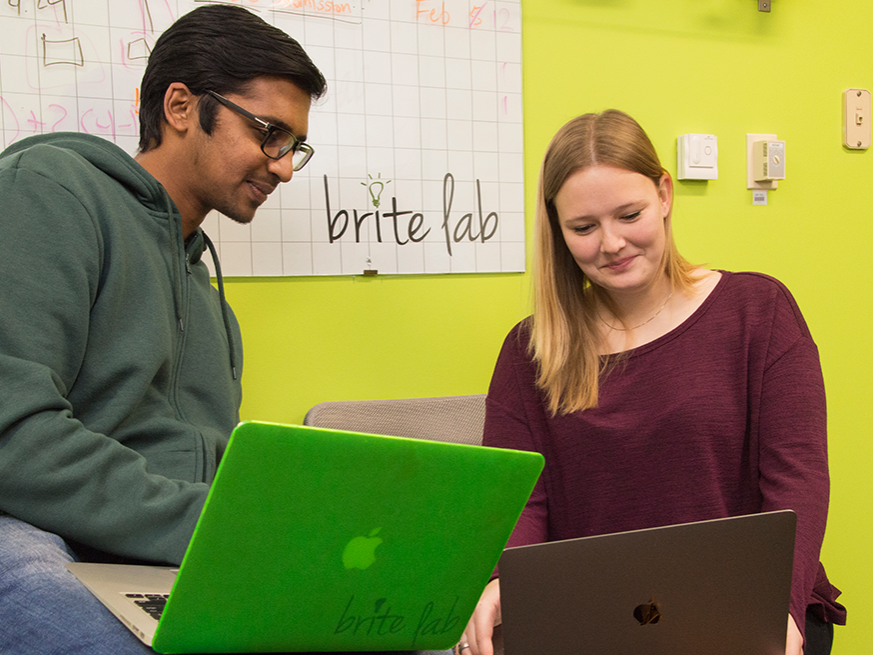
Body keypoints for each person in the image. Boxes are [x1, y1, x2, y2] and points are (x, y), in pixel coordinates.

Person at [0, 6, 448, 655]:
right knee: (27, 576)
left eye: (294, 145)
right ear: (181, 105)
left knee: (401, 620)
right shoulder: (52, 191)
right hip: (46, 538)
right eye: (270, 133)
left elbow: (207, 479)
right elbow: (14, 436)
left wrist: (298, 532)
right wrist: (222, 528)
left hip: (159, 562)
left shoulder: (213, 306)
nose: (285, 166)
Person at [459, 110, 846, 655]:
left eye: (629, 214)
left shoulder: (758, 312)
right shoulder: (531, 350)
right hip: (596, 615)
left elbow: (797, 482)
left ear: (664, 194)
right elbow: (521, 500)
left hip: (739, 605)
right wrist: (501, 579)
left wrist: (779, 611)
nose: (612, 243)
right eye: (584, 228)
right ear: (558, 229)